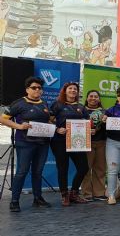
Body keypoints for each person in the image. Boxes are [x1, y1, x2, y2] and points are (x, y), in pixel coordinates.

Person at [1, 77, 53, 212]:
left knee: (38, 172)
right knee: (21, 172)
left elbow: (49, 120)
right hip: (25, 143)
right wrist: (19, 126)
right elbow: (3, 119)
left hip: (42, 144)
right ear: (27, 89)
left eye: (39, 88)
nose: (37, 90)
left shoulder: (45, 103)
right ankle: (14, 201)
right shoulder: (19, 103)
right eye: (34, 87)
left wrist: (51, 126)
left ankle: (38, 198)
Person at [48, 82, 90, 206]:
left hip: (77, 142)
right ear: (65, 91)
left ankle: (74, 193)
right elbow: (47, 120)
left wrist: (90, 129)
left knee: (83, 167)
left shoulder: (81, 107)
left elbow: (87, 122)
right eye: (70, 88)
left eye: (75, 89)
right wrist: (56, 129)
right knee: (63, 168)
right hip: (59, 141)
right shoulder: (57, 104)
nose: (73, 90)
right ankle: (64, 195)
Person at [81, 90, 108, 201]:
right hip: (86, 143)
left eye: (96, 96)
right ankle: (87, 193)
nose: (93, 98)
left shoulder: (104, 112)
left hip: (101, 142)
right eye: (91, 96)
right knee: (86, 169)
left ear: (99, 99)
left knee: (100, 169)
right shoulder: (81, 110)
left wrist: (106, 121)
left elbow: (108, 129)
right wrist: (87, 130)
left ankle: (99, 193)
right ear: (87, 98)